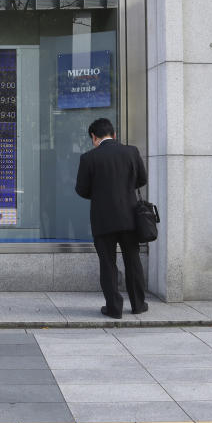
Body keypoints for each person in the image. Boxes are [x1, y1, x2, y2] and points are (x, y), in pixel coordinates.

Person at [75, 118, 148, 319]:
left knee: (108, 263)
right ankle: (138, 305)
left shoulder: (88, 158)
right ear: (114, 134)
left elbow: (81, 189)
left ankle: (114, 308)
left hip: (103, 218)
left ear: (94, 137)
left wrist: (100, 195)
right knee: (132, 260)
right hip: (129, 217)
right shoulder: (131, 152)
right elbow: (142, 179)